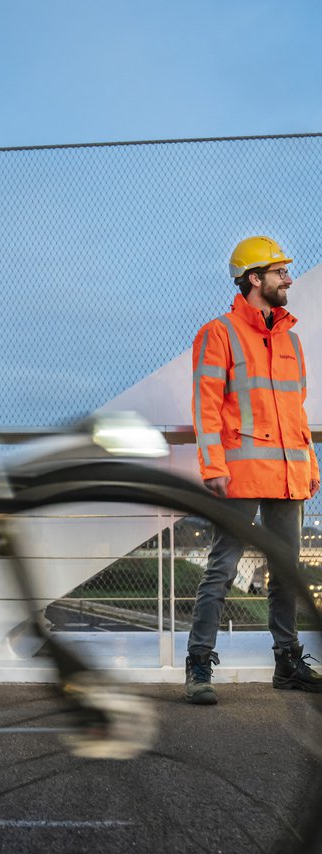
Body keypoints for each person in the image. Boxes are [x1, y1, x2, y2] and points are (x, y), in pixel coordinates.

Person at [186, 235, 322, 704]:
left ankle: (287, 663)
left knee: (287, 571)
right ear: (253, 279)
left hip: (288, 473)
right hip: (238, 475)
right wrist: (212, 465)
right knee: (222, 569)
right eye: (279, 271)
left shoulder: (292, 341)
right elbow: (205, 409)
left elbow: (295, 411)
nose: (288, 278)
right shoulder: (218, 333)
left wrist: (310, 465)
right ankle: (199, 663)